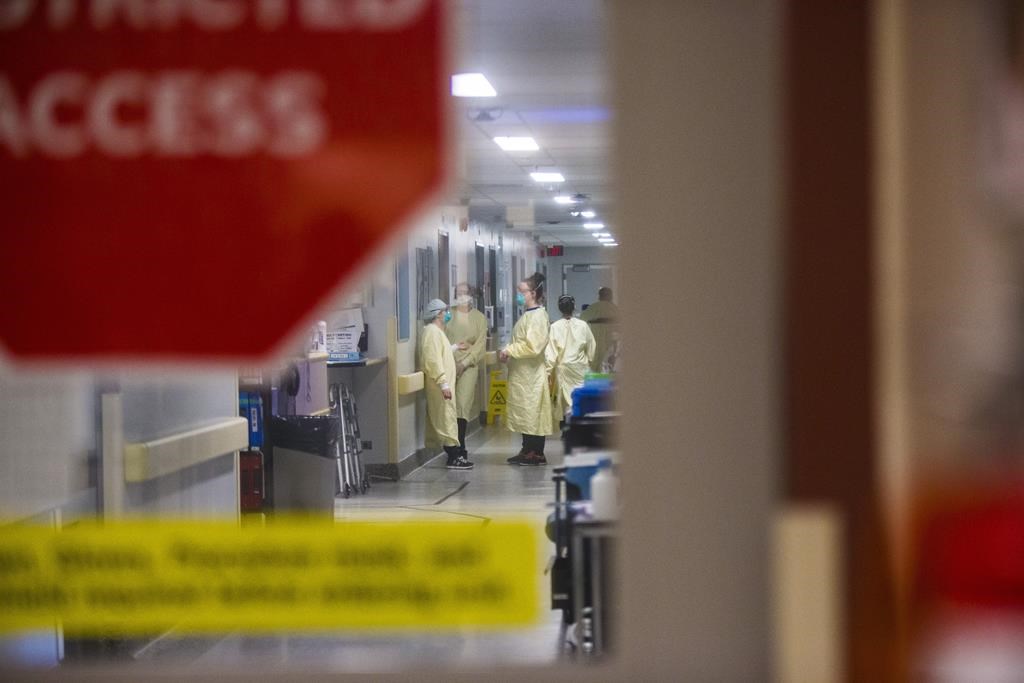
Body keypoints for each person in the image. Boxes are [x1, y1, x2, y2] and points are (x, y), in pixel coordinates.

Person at [498, 272, 555, 466]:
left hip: (531, 374)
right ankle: (527, 449)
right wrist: (509, 353)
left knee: (533, 413)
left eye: (521, 291)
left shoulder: (538, 316)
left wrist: (510, 349)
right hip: (523, 373)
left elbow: (533, 346)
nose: (518, 295)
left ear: (533, 293)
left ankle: (536, 453)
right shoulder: (528, 315)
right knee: (525, 412)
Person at [419, 299, 473, 470]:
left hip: (444, 384)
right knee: (446, 420)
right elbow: (432, 360)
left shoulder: (436, 332)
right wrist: (443, 383)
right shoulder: (432, 332)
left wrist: (456, 347)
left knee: (448, 418)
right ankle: (453, 456)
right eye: (445, 311)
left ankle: (454, 454)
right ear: (439, 314)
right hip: (440, 386)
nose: (448, 314)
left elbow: (441, 352)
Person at [446, 282, 488, 460]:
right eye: (458, 293)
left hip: (468, 367)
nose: (461, 296)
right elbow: (442, 339)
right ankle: (450, 447)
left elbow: (479, 346)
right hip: (449, 364)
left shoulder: (479, 318)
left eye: (465, 293)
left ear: (471, 295)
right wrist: (451, 361)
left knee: (462, 405)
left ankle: (460, 444)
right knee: (449, 406)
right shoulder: (449, 315)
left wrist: (464, 363)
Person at [546, 295, 597, 426]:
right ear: (574, 307)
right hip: (580, 368)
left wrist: (547, 371)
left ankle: (566, 428)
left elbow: (551, 353)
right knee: (579, 398)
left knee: (564, 401)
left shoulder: (555, 327)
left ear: (559, 308)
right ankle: (581, 425)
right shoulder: (583, 325)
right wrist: (589, 360)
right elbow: (591, 347)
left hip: (563, 369)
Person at [579, 286, 620, 373]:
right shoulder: (616, 309)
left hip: (595, 343)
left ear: (599, 296)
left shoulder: (593, 308)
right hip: (610, 343)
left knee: (594, 368)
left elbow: (582, 319)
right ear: (611, 297)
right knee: (609, 367)